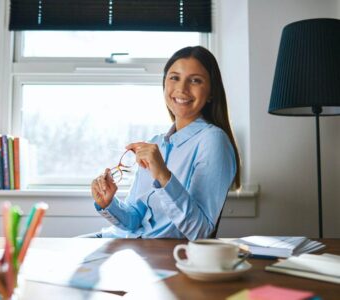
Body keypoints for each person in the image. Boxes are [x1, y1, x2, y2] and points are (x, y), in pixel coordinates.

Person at [90, 46, 241, 240]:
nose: (182, 88)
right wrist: (109, 203)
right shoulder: (156, 143)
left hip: (159, 254)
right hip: (121, 241)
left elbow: (200, 231)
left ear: (211, 92)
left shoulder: (213, 141)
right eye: (174, 77)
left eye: (195, 80)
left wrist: (163, 174)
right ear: (164, 85)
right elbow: (135, 219)